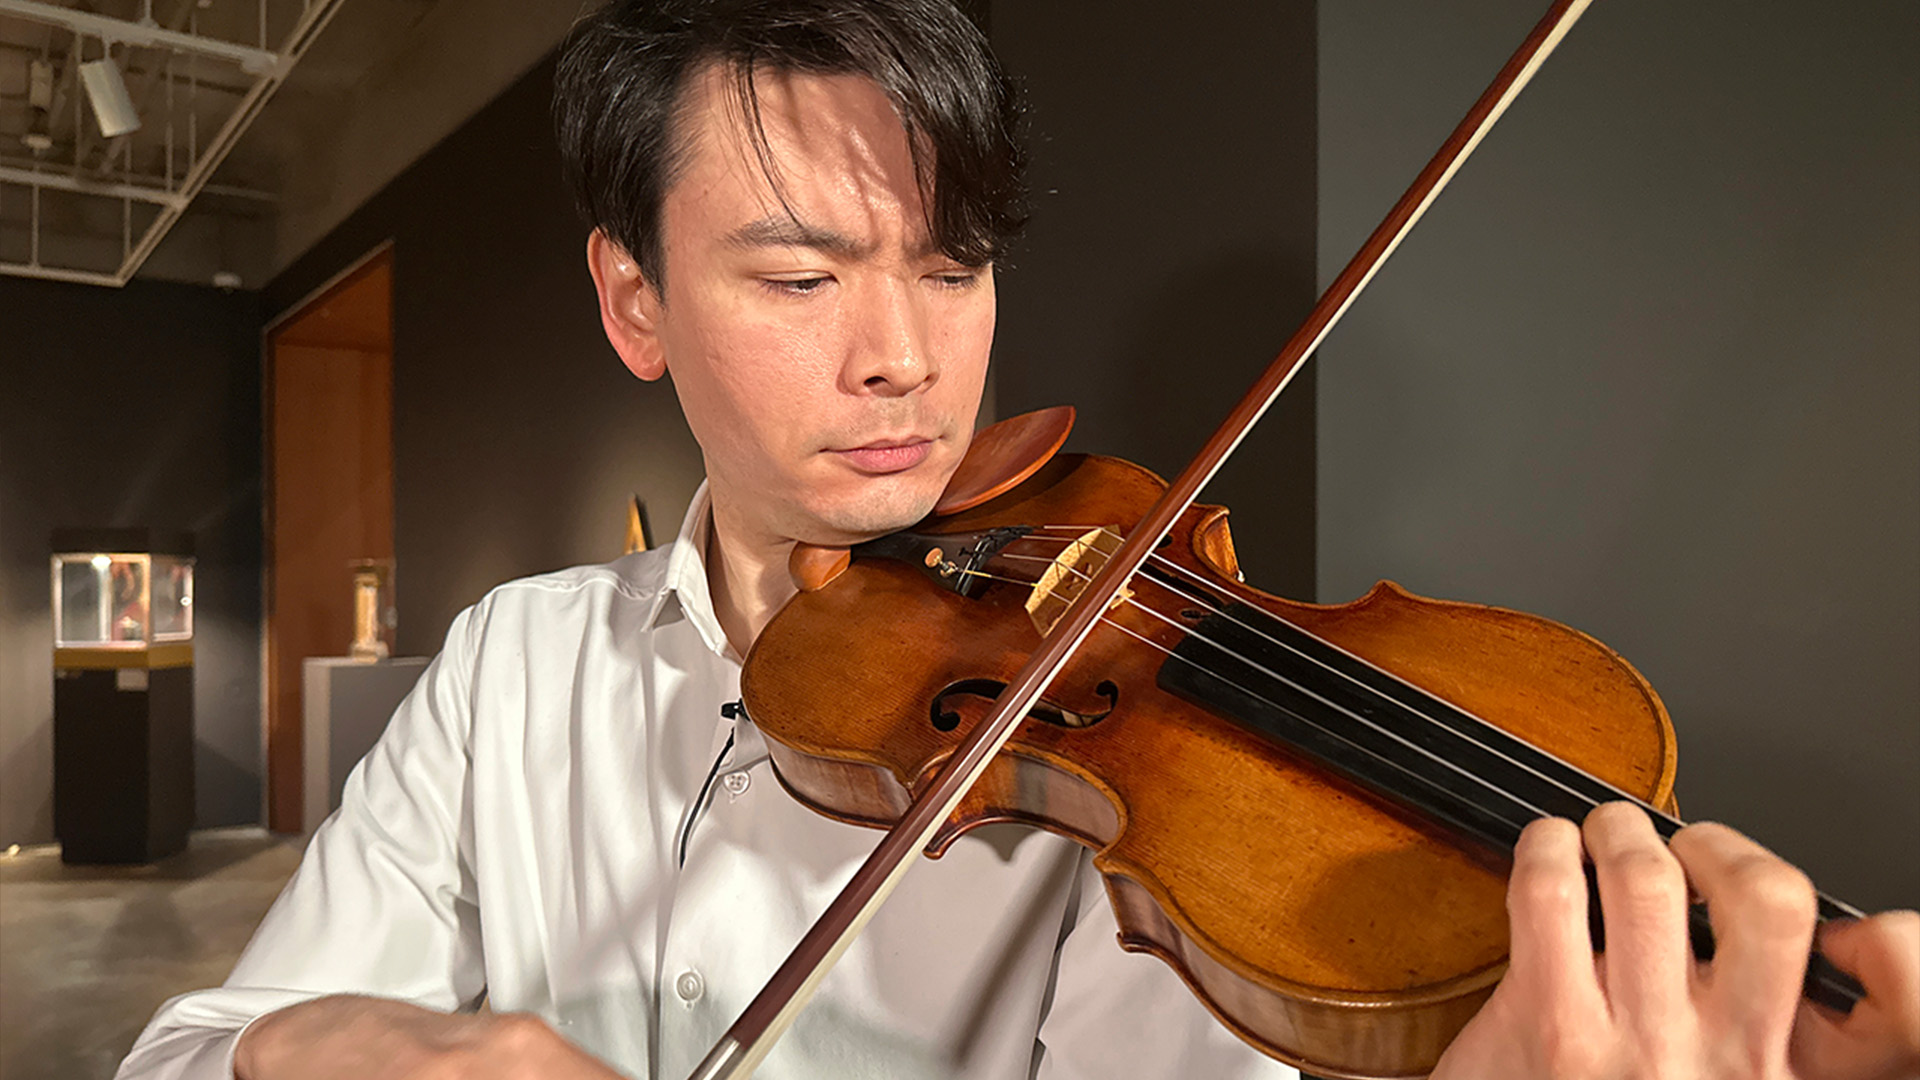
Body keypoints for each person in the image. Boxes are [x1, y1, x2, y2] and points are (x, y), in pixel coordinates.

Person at [118, 2, 1920, 1078]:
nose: (907, 354)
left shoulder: (1126, 786)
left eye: (953, 265)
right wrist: (357, 1037)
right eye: (805, 274)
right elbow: (183, 1049)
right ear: (634, 302)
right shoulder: (515, 665)